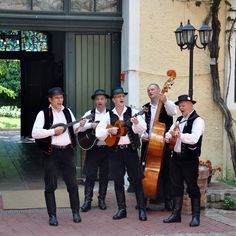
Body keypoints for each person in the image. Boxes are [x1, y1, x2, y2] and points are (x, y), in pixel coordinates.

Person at [96, 87, 147, 221]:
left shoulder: (133, 112)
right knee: (118, 181)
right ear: (113, 100)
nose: (121, 98)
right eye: (118, 96)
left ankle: (142, 209)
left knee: (136, 180)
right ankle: (122, 209)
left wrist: (136, 124)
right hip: (115, 152)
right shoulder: (107, 115)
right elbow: (99, 134)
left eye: (122, 96)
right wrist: (109, 131)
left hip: (130, 150)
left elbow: (142, 129)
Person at [32, 87, 81, 226]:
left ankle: (75, 212)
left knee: (72, 184)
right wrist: (53, 131)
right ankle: (52, 216)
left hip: (67, 152)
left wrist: (80, 125)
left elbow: (74, 129)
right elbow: (35, 133)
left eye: (61, 97)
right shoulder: (43, 114)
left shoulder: (67, 111)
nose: (60, 100)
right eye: (57, 98)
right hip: (51, 152)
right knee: (50, 185)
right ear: (50, 99)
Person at [129, 83, 177, 210]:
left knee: (166, 172)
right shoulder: (145, 108)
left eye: (153, 89)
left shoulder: (167, 105)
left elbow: (173, 112)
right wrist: (142, 135)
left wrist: (165, 100)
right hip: (148, 143)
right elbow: (141, 125)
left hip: (163, 143)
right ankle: (143, 201)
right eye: (148, 90)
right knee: (144, 171)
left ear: (159, 91)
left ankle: (168, 202)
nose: (150, 91)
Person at [163, 94, 205, 227]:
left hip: (189, 159)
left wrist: (179, 135)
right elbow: (169, 132)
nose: (181, 107)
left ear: (191, 104)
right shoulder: (179, 119)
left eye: (183, 104)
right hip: (176, 158)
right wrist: (168, 137)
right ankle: (176, 214)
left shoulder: (198, 121)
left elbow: (194, 138)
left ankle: (195, 216)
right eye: (179, 105)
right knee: (176, 186)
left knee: (192, 187)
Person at [78, 89, 110, 212]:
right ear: (94, 101)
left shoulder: (110, 114)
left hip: (107, 149)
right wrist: (90, 125)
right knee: (90, 175)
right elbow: (78, 128)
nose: (99, 101)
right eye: (97, 99)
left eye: (102, 99)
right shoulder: (89, 113)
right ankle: (87, 201)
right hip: (93, 149)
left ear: (106, 100)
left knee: (104, 175)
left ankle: (102, 199)